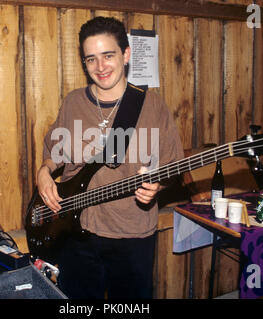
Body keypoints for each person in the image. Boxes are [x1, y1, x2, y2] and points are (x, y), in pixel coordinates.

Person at [36, 16, 184, 299]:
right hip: (75, 232)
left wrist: (158, 187)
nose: (100, 67)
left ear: (126, 55)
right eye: (90, 59)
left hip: (131, 237)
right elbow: (55, 154)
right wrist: (43, 172)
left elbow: (172, 168)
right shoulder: (73, 102)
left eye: (108, 56)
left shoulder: (153, 106)